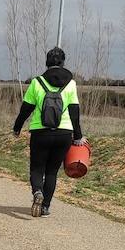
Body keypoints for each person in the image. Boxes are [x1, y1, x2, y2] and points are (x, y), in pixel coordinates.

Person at [12, 46, 85, 218]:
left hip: (40, 132)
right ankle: (45, 207)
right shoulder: (71, 84)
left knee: (37, 168)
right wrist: (78, 136)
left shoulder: (37, 82)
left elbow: (25, 109)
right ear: (63, 62)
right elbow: (74, 111)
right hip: (64, 133)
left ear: (47, 62)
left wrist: (17, 127)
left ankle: (37, 191)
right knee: (52, 171)